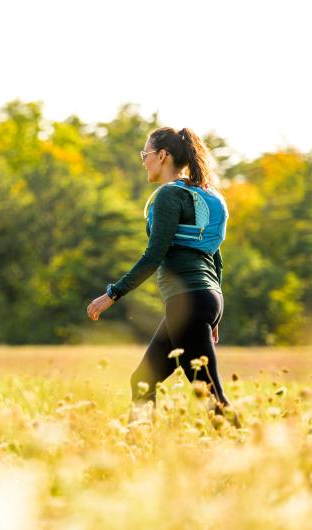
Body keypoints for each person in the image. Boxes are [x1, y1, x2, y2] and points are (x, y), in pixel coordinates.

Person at [86, 127, 238, 425]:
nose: (144, 161)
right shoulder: (209, 197)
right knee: (143, 380)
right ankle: (138, 450)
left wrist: (112, 294)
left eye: (146, 155)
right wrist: (215, 317)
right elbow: (214, 255)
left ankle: (248, 456)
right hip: (204, 300)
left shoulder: (169, 196)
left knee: (210, 395)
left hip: (188, 301)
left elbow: (154, 255)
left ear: (163, 155)